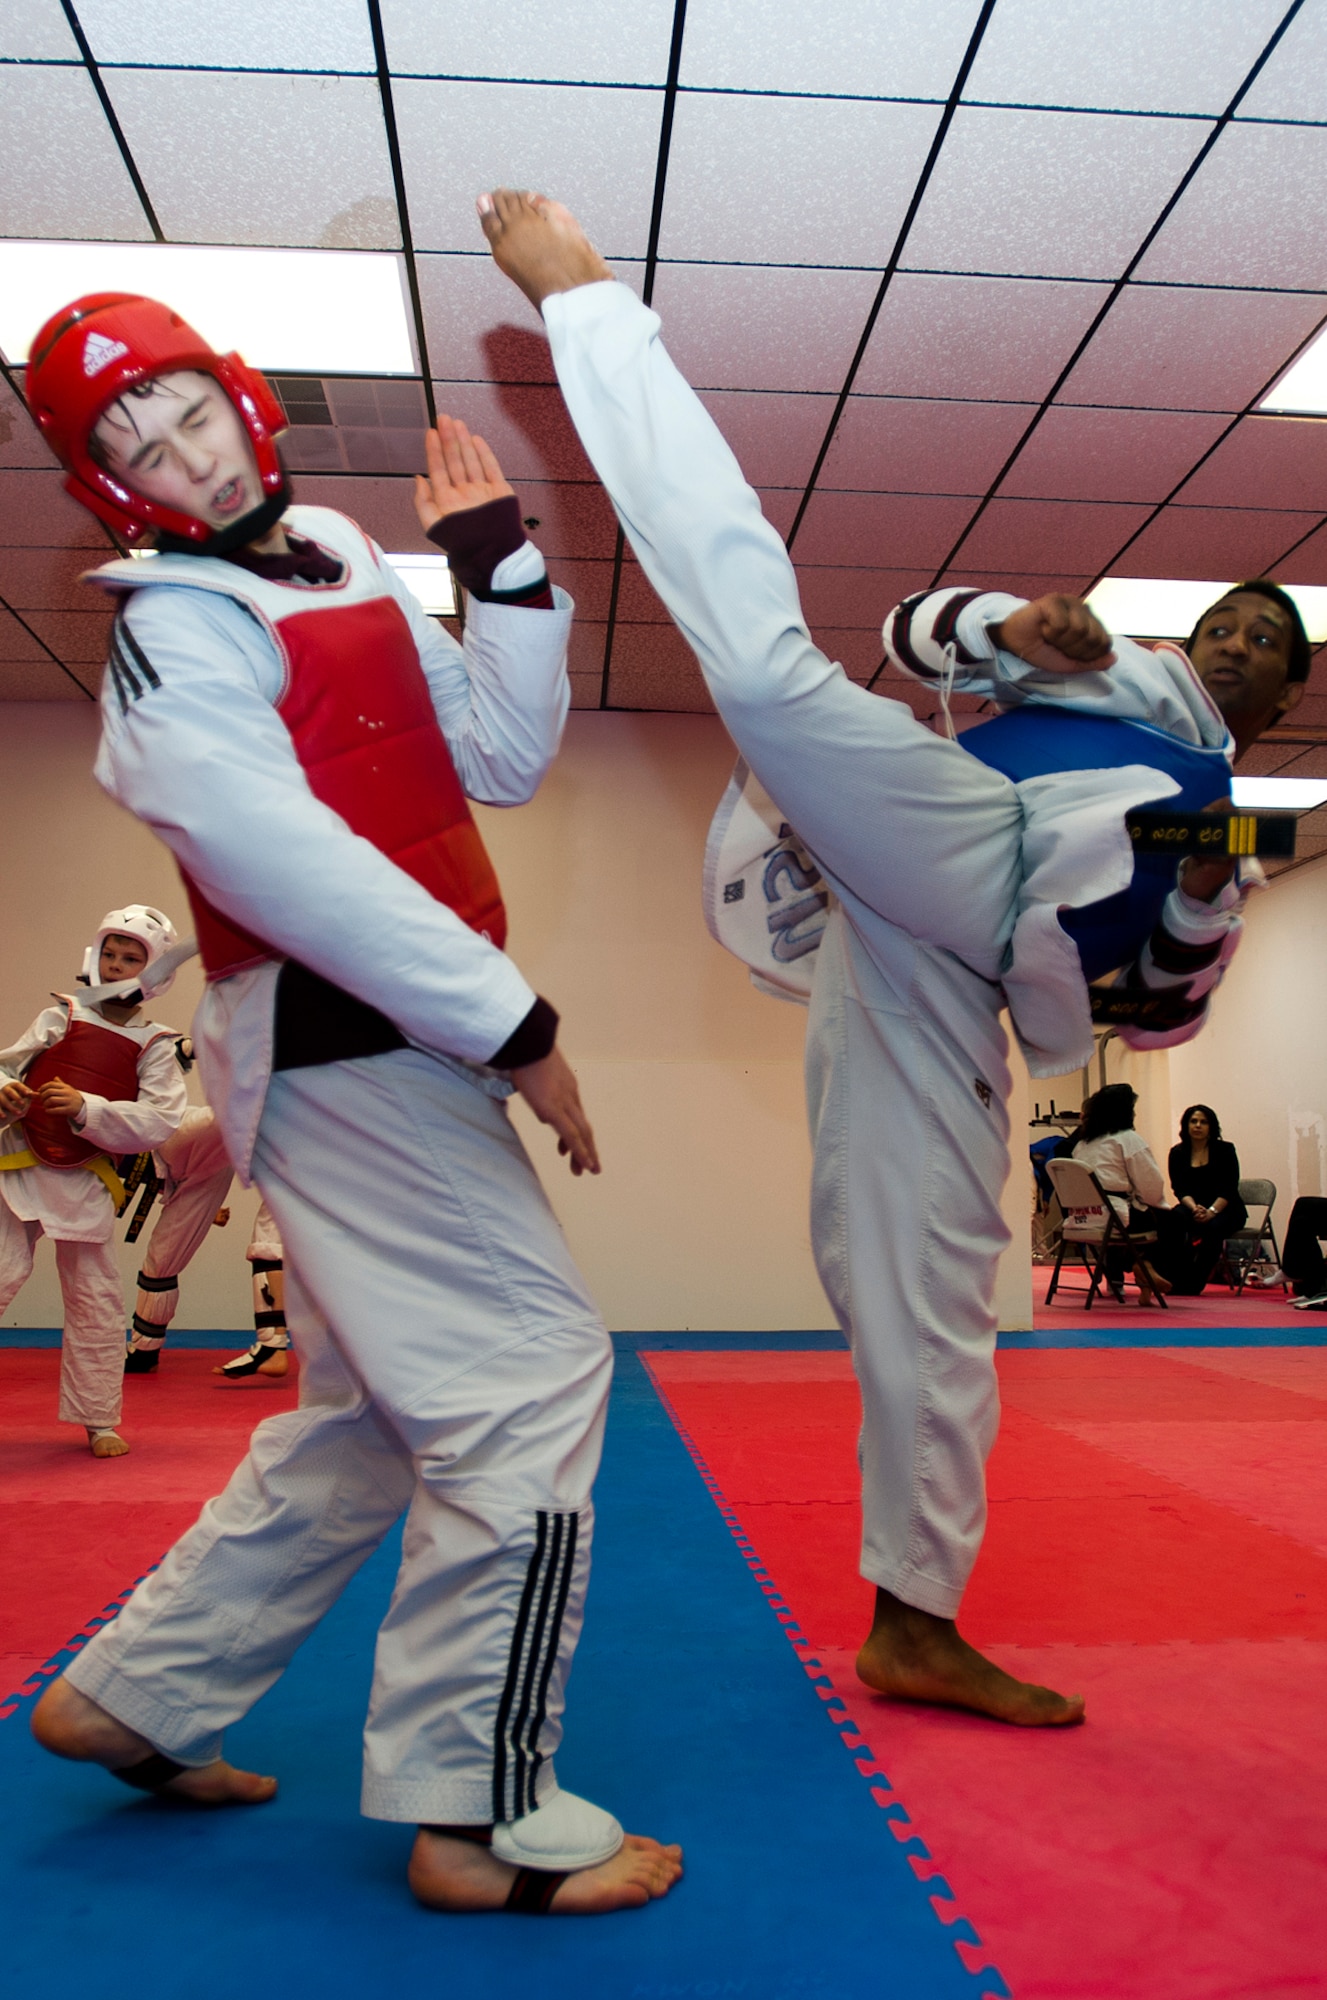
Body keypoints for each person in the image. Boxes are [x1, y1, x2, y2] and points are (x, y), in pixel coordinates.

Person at [477, 189, 1308, 1730]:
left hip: (971, 974)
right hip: (944, 840)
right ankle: (593, 314)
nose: (1237, 645)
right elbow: (915, 630)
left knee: (926, 1294)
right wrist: (1014, 622)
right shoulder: (1117, 671)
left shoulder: (1217, 827)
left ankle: (910, 1622)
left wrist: (1198, 895)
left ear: (1278, 699)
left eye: (1270, 645)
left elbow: (1156, 1020)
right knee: (769, 671)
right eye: (1228, 622)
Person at [25, 291, 680, 1915]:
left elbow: (493, 757)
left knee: (375, 1419)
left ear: (240, 394)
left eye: (187, 412)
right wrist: (513, 1020)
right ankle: (481, 1813)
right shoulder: (171, 627)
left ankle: (142, 1691)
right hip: (345, 1030)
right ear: (113, 491)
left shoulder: (323, 539)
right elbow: (271, 855)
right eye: (136, 451)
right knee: (531, 1385)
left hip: (390, 1035)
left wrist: (498, 573)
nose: (183, 458)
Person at [0, 907, 187, 1455]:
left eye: (132, 958)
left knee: (97, 1303)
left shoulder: (156, 1045)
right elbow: (9, 1066)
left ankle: (98, 1419)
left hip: (85, 1181)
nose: (116, 965)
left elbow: (160, 1121)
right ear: (95, 955)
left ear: (155, 973)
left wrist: (89, 1108)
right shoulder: (60, 1015)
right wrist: (4, 1091)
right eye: (110, 952)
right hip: (18, 1166)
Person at [122, 1101, 293, 1379]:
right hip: (184, 1173)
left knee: (270, 1232)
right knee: (162, 1260)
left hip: (176, 1145)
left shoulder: (186, 1129)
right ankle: (144, 1350)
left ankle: (273, 1346)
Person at [1071, 1084, 1174, 1306]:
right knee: (1171, 1220)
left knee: (1129, 1226)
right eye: (1132, 1109)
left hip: (1082, 1218)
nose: (1135, 1113)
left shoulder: (1082, 1144)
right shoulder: (1127, 1139)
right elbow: (1151, 1184)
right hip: (1114, 1215)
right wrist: (1156, 1203)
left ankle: (1144, 1270)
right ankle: (1146, 1268)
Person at [1164, 1105, 1246, 1294]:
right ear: (1186, 1125)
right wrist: (1194, 1209)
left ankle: (1195, 1282)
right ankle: (1175, 1276)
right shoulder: (1177, 1153)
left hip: (1225, 1207)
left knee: (1213, 1227)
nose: (1198, 1126)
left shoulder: (1225, 1150)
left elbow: (1229, 1188)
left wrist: (1211, 1212)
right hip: (1193, 1205)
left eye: (1203, 1122)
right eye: (1193, 1121)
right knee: (1174, 1219)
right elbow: (1179, 1188)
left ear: (1211, 1126)